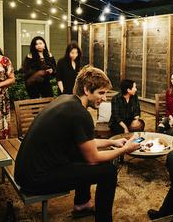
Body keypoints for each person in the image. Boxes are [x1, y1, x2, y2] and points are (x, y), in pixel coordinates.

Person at [14, 66, 141, 222]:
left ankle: (82, 204)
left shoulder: (66, 100)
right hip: (36, 179)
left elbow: (85, 143)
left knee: (81, 154)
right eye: (101, 93)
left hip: (24, 172)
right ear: (87, 89)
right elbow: (93, 158)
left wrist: (112, 142)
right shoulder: (80, 114)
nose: (105, 98)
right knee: (108, 172)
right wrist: (125, 149)